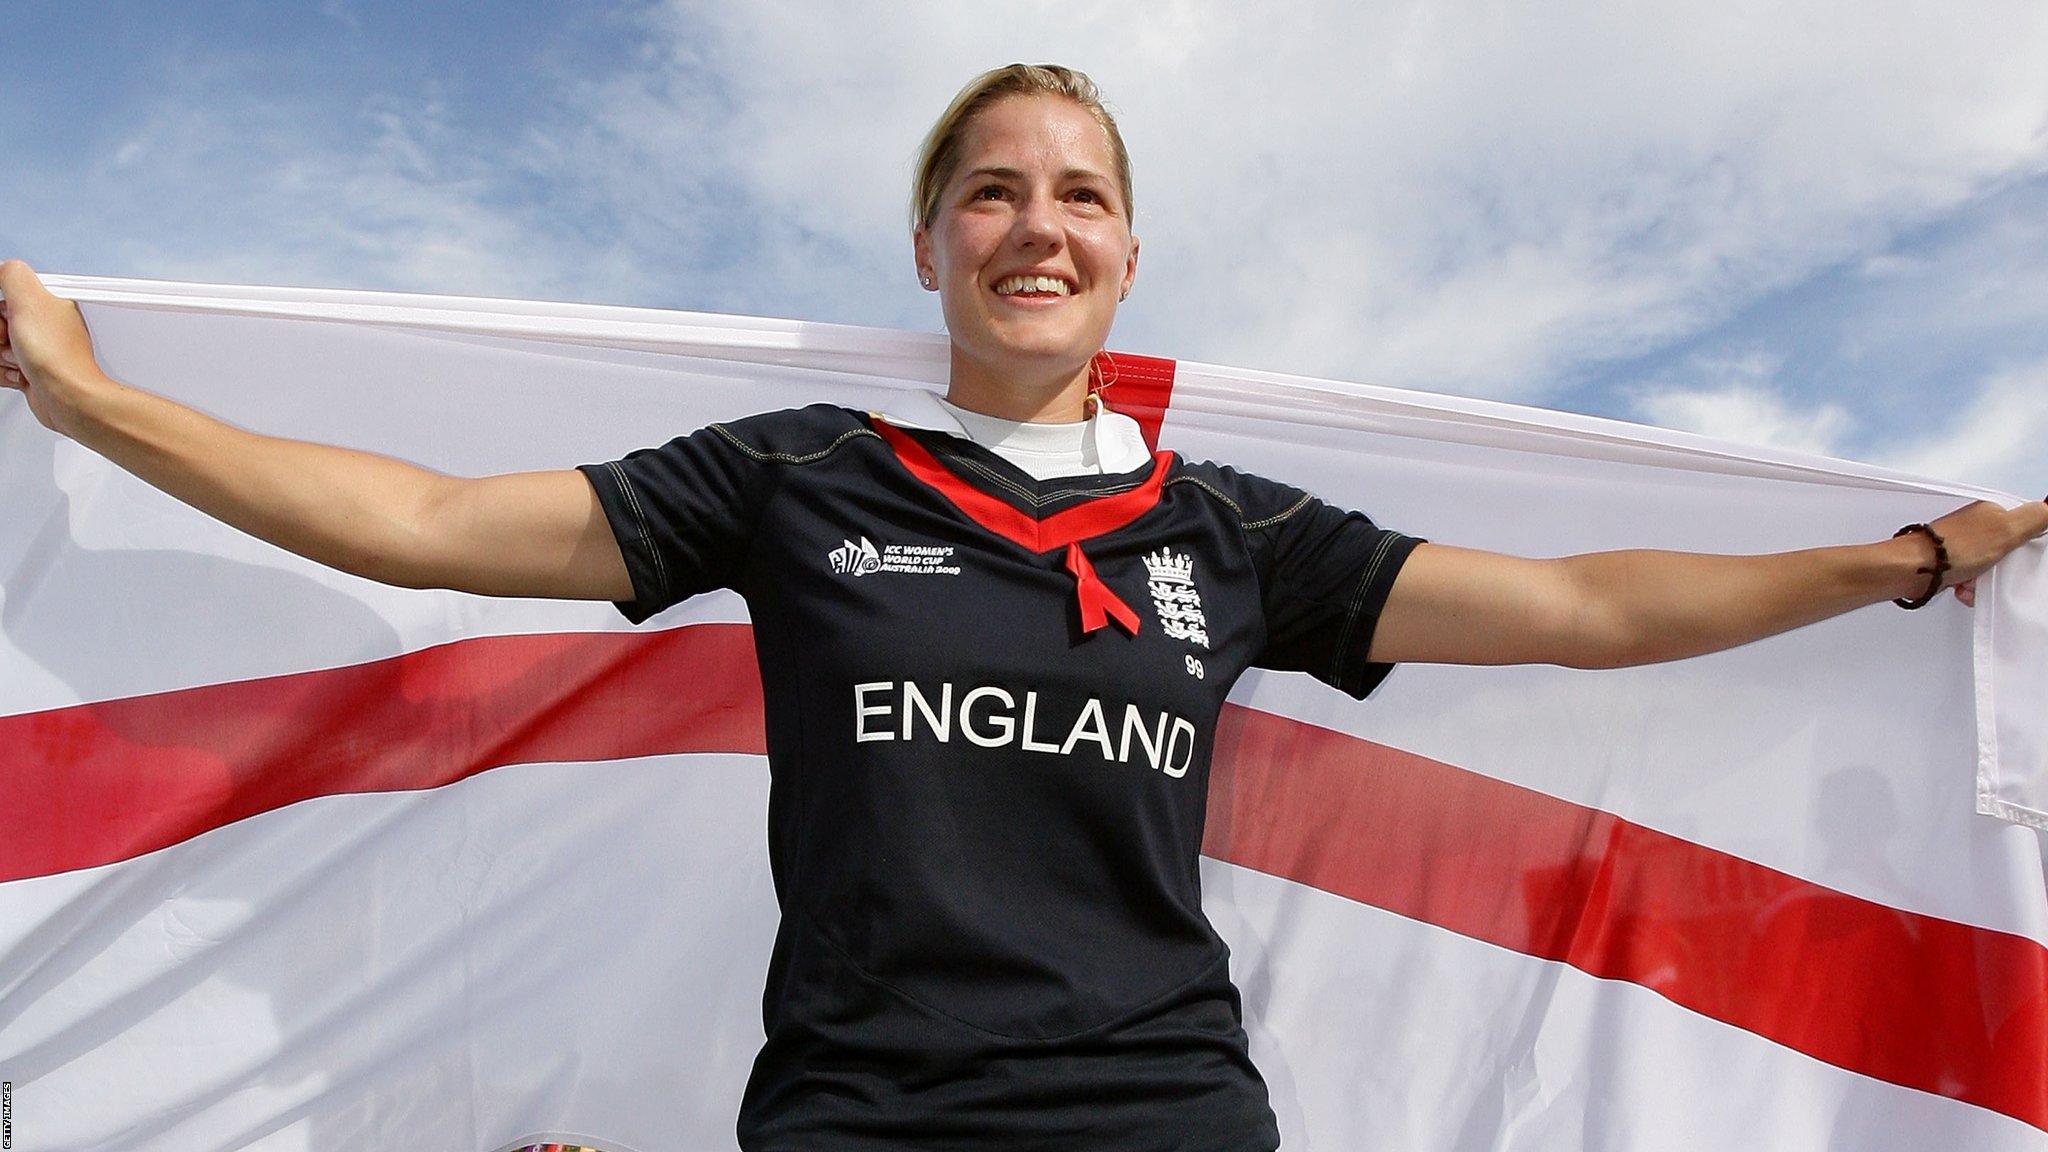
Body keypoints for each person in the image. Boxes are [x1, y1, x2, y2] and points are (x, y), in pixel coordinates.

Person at [2, 62, 2043, 1152]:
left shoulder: (1232, 531)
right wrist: (93, 398)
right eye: (993, 189)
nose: (1033, 224)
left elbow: (1589, 606)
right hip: (855, 1118)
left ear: (1128, 254)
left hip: (1159, 1114)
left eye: (1074, 193)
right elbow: (424, 519)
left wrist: (1902, 562)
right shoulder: (794, 477)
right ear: (932, 243)